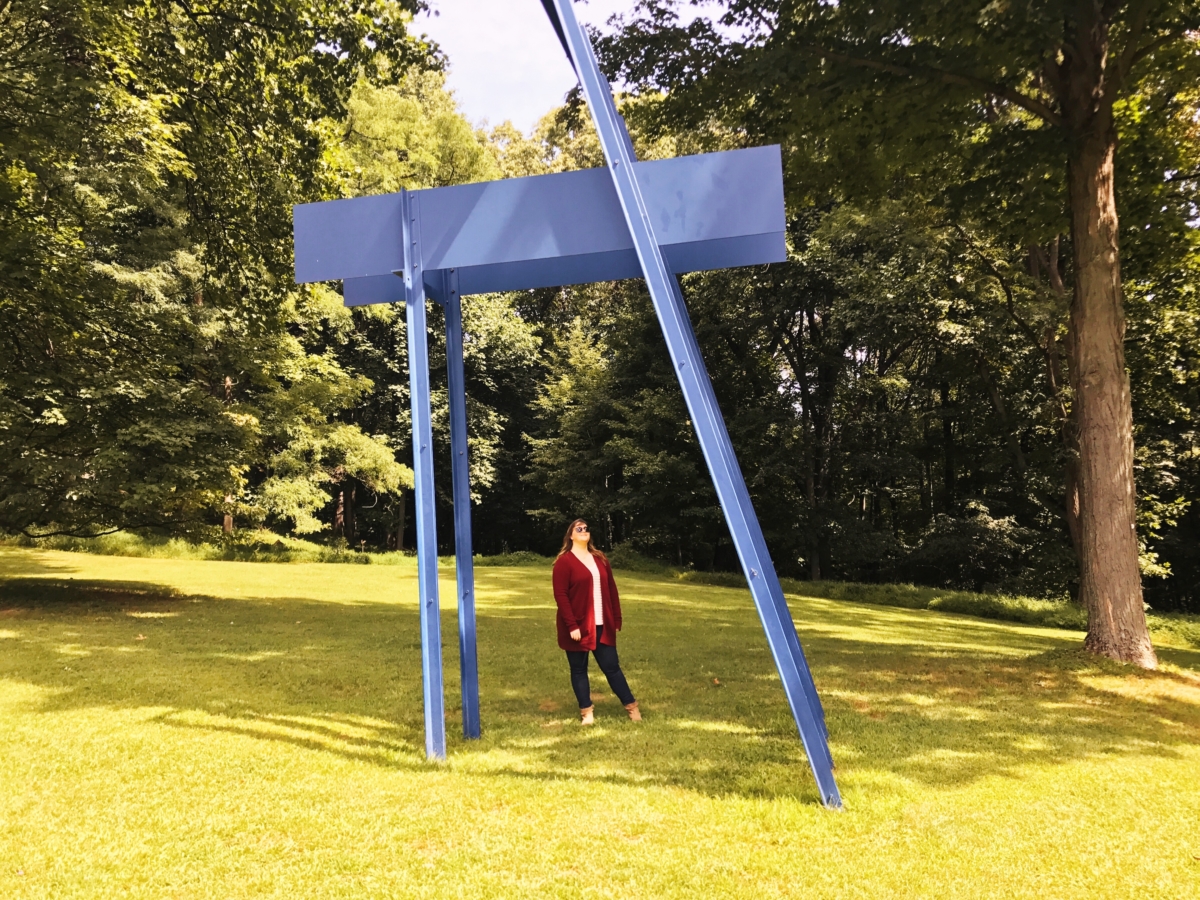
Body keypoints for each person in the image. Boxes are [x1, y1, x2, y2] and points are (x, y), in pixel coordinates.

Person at [551, 519, 641, 725]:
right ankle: (587, 712)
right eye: (578, 528)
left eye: (586, 528)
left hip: (602, 625)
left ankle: (631, 707)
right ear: (571, 535)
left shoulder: (600, 559)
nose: (583, 531)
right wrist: (572, 625)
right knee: (579, 670)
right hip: (577, 628)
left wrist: (616, 617)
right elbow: (561, 596)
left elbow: (611, 589)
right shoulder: (564, 562)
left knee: (612, 667)